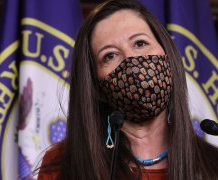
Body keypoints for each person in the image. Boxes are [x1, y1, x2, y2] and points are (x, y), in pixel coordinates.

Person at [37, 0, 218, 179]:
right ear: (95, 85)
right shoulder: (63, 164)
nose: (131, 61)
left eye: (140, 43)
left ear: (168, 55)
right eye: (110, 55)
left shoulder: (213, 165)